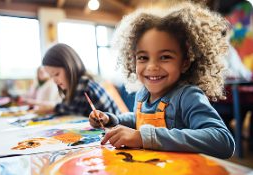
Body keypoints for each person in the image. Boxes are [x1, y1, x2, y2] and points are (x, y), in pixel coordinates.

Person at [89, 2, 235, 159]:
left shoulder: (188, 96)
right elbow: (139, 119)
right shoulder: (143, 94)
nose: (152, 66)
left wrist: (144, 137)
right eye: (143, 57)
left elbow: (223, 140)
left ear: (184, 62)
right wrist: (112, 119)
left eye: (165, 57)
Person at [41, 43, 121, 117]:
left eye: (56, 74)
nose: (54, 81)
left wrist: (53, 107)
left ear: (69, 67)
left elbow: (73, 111)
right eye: (51, 76)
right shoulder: (76, 86)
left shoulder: (84, 85)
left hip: (117, 128)